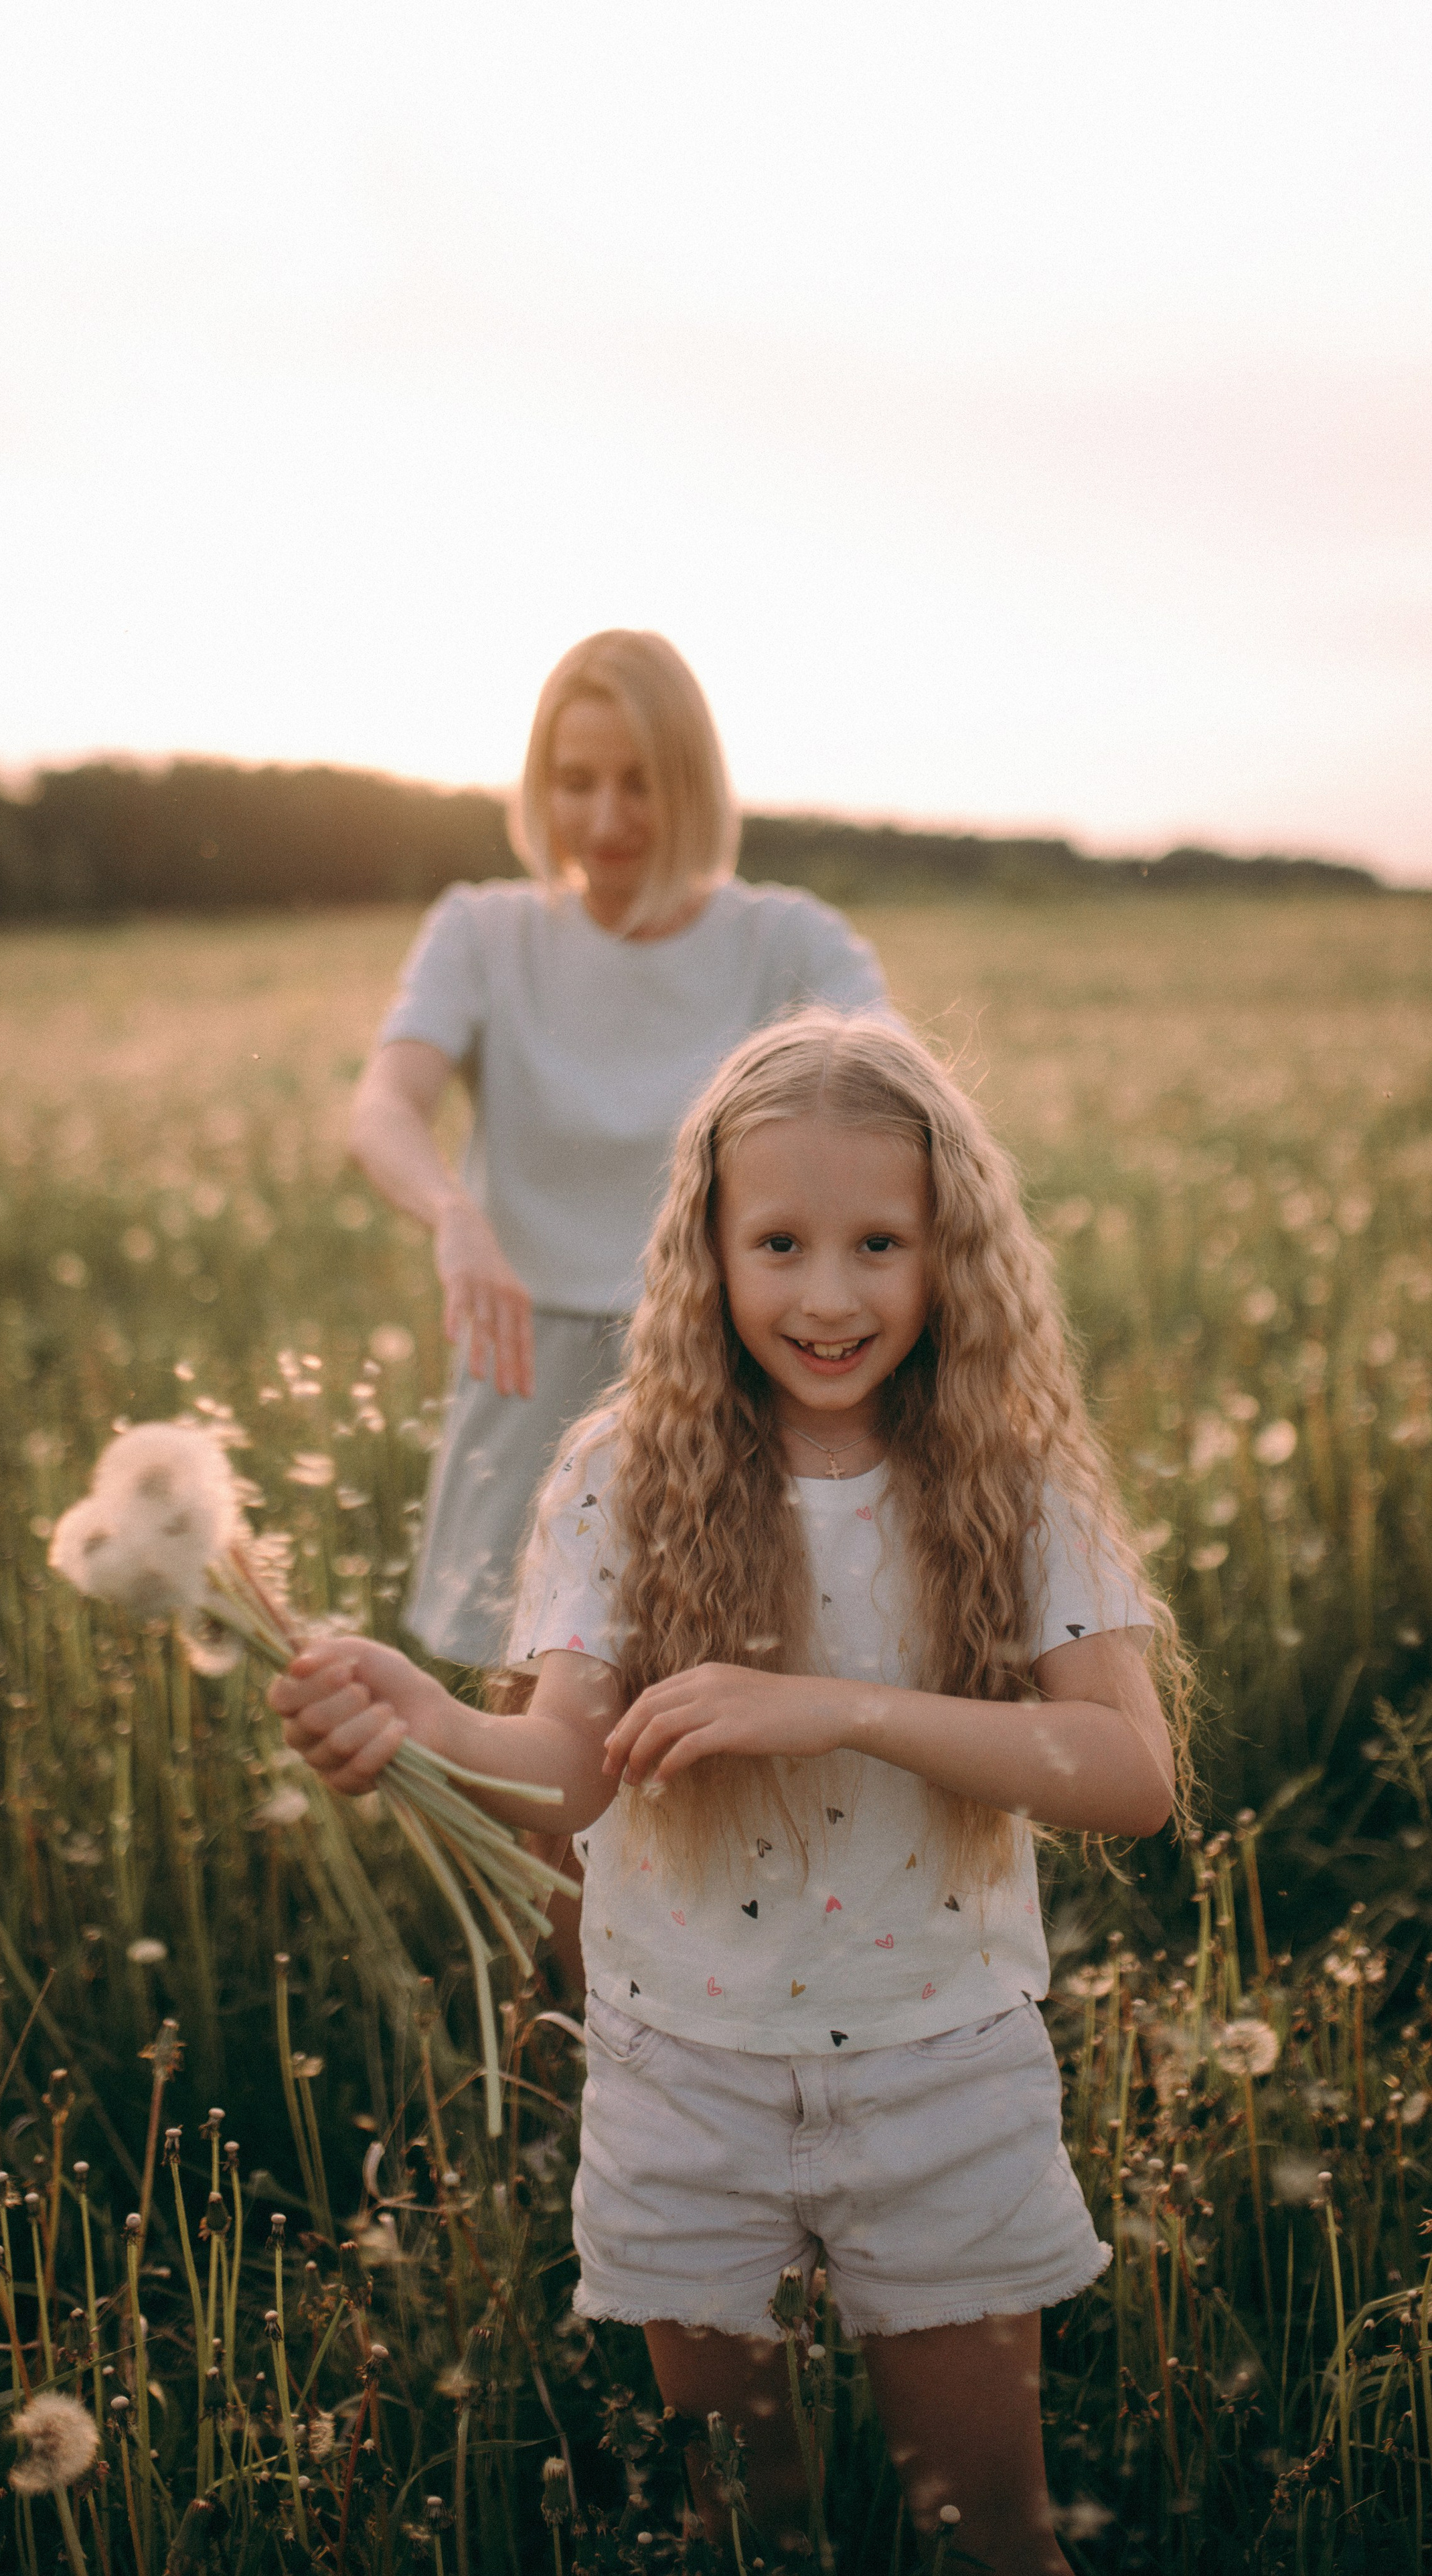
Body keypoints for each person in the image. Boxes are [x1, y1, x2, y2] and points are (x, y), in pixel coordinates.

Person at [272, 1011, 1194, 2570]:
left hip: (938, 2070)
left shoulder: (1011, 1477)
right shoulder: (619, 1472)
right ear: (706, 1250)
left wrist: (831, 1706)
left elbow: (1127, 1775)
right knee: (744, 2532)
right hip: (680, 2073)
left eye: (876, 1243)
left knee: (989, 2533)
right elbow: (567, 1768)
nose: (826, 1295)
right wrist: (426, 1720)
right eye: (777, 1241)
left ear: (946, 1251)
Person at [348, 629, 893, 1672]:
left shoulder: (788, 942)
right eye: (576, 781)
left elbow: (910, 1105)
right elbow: (383, 1105)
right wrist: (454, 1217)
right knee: (532, 1761)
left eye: (640, 783)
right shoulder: (484, 933)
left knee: (715, 1736)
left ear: (695, 786)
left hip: (734, 1382)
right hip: (526, 1381)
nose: (605, 821)